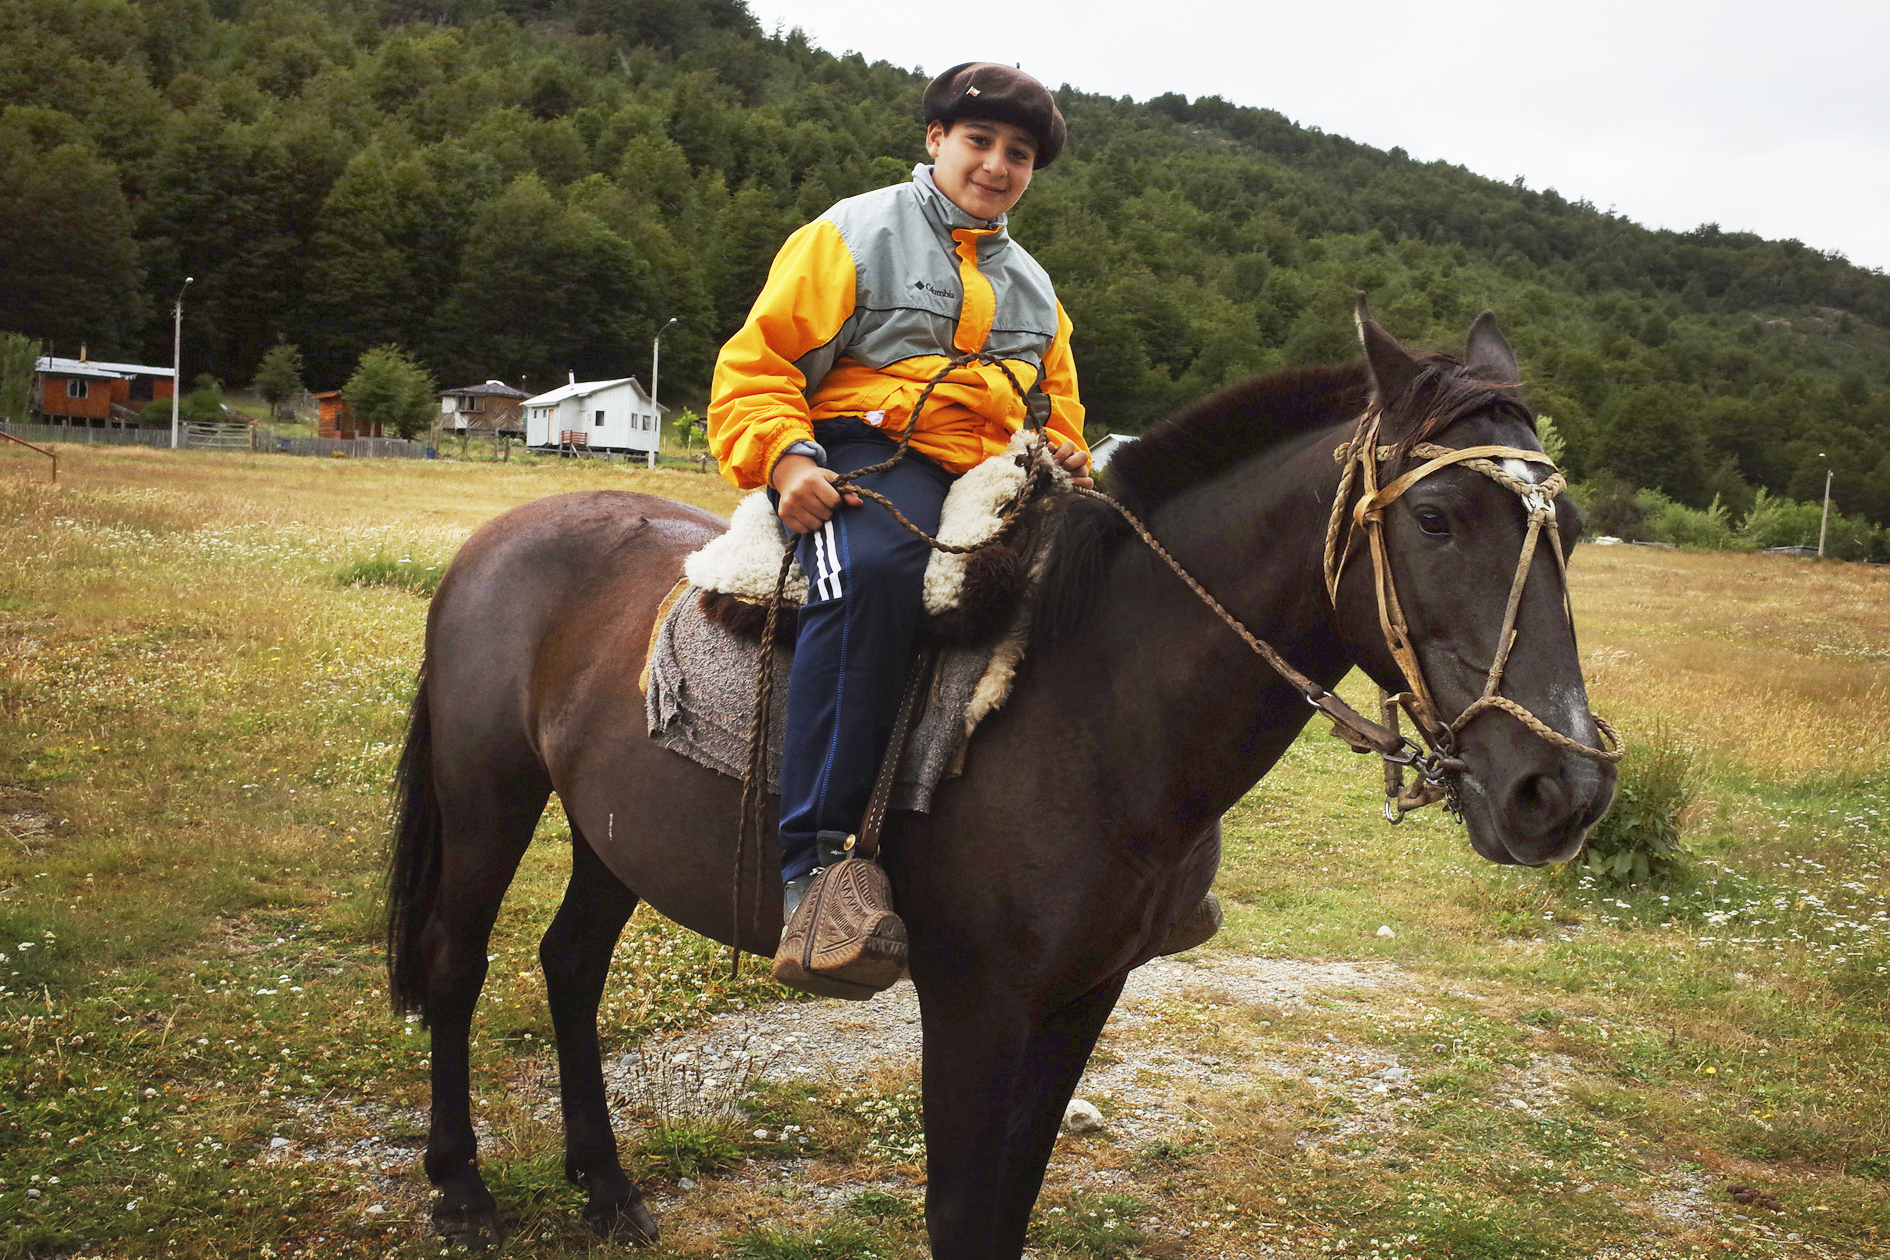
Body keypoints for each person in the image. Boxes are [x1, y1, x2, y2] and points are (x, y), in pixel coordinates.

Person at [708, 62, 1091, 993]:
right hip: (866, 454)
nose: (996, 165)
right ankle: (816, 867)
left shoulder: (1036, 292)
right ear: (935, 139)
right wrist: (787, 459)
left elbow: (1059, 416)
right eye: (979, 142)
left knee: (1104, 582)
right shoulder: (853, 232)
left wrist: (1069, 459)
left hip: (991, 472)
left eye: (1018, 154)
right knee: (874, 574)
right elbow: (759, 365)